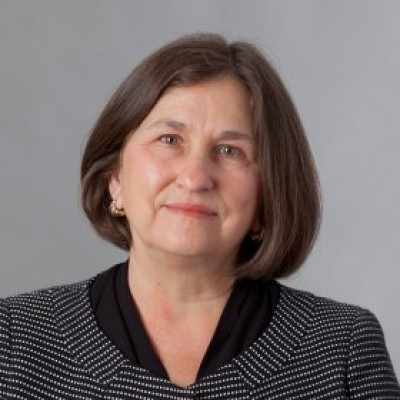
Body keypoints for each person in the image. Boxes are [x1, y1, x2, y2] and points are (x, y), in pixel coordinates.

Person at [0, 33, 399, 399]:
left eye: (229, 150)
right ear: (114, 178)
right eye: (169, 140)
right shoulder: (14, 339)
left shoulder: (342, 351)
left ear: (267, 195)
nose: (194, 178)